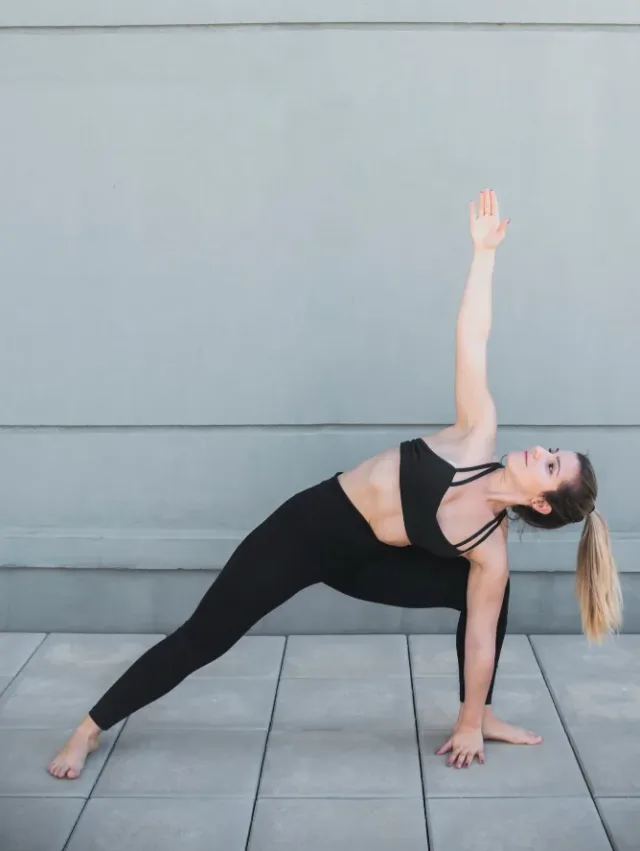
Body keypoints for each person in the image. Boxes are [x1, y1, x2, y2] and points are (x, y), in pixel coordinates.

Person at [48, 189, 621, 779]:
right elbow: (473, 336)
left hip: (368, 564)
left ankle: (477, 717)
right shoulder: (477, 433)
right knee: (206, 636)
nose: (541, 452)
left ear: (538, 501)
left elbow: (480, 642)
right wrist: (483, 256)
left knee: (489, 599)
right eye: (554, 451)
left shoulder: (489, 548)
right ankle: (88, 730)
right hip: (311, 529)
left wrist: (470, 721)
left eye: (551, 465)